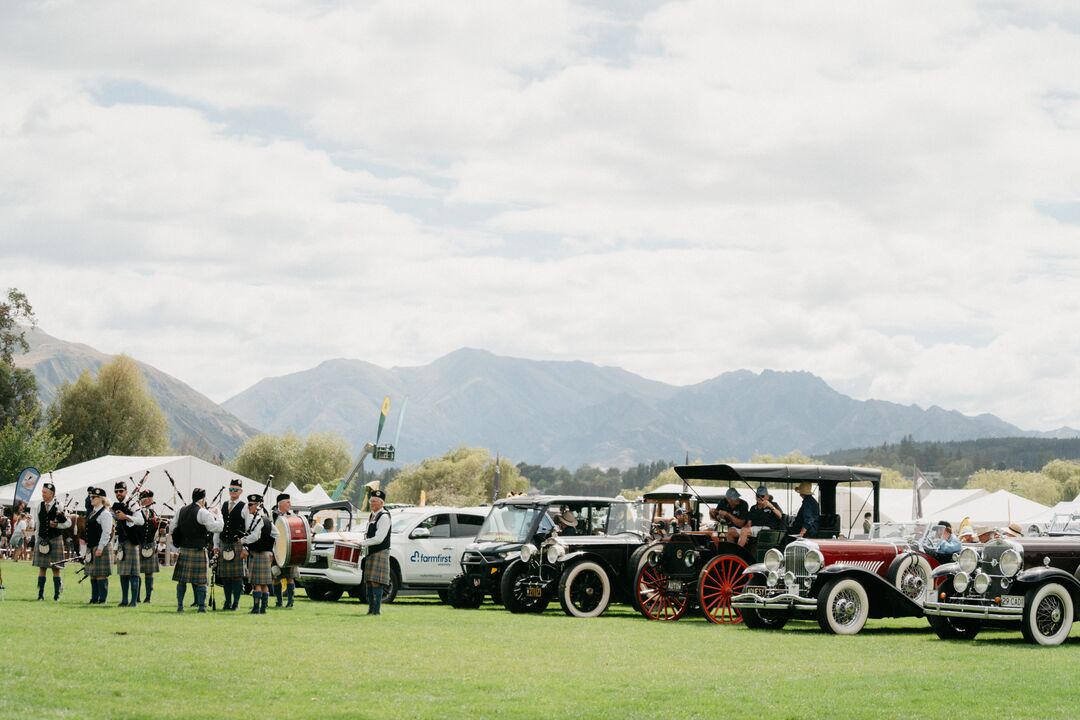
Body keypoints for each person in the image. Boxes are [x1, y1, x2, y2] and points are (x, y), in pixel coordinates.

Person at [169, 488, 224, 613]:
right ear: (203, 499)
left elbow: (172, 527)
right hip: (198, 551)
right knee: (201, 581)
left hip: (184, 550)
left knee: (181, 581)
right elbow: (217, 527)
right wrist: (219, 514)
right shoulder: (203, 512)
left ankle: (180, 606)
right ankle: (201, 607)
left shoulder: (181, 510)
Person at [33, 482, 72, 601]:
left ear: (52, 494)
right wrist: (36, 539)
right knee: (42, 567)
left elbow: (68, 523)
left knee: (56, 568)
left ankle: (57, 595)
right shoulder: (39, 505)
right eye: (42, 492)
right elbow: (38, 524)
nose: (43, 494)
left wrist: (57, 525)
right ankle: (40, 595)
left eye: (45, 492)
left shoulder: (59, 506)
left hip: (55, 539)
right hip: (42, 539)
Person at [241, 493, 277, 615]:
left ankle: (256, 608)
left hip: (257, 553)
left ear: (257, 506)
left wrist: (243, 540)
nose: (248, 507)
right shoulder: (267, 520)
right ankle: (263, 608)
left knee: (256, 583)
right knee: (264, 583)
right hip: (266, 554)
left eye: (250, 505)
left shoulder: (257, 520)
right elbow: (276, 534)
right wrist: (269, 546)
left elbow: (255, 537)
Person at [214, 479, 248, 611]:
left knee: (237, 576)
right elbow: (219, 526)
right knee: (225, 576)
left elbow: (247, 528)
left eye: (235, 490)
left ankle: (236, 603)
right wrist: (216, 544)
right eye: (231, 489)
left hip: (237, 544)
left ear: (241, 491)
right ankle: (227, 602)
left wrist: (245, 547)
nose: (232, 492)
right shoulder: (224, 505)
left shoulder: (244, 506)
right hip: (224, 543)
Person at [112, 481, 145, 607]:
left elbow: (141, 521)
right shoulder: (117, 505)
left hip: (132, 542)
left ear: (126, 491)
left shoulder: (133, 504)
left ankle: (133, 601)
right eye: (116, 491)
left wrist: (126, 516)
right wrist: (116, 545)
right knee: (123, 573)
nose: (118, 493)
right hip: (121, 541)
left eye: (121, 491)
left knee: (133, 573)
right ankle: (124, 600)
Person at [360, 490, 392, 616]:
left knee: (376, 581)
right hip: (372, 551)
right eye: (371, 501)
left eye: (374, 501)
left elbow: (379, 538)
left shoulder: (383, 516)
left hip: (380, 551)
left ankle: (377, 610)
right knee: (369, 581)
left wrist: (363, 543)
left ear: (381, 503)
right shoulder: (373, 515)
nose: (372, 503)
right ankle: (371, 609)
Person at [85, 487, 114, 604]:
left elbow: (106, 532)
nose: (91, 499)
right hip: (92, 546)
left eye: (94, 497)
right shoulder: (93, 512)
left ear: (101, 499)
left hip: (100, 546)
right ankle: (94, 598)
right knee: (93, 574)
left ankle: (102, 599)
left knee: (101, 575)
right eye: (91, 496)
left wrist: (100, 547)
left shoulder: (105, 514)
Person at [271, 493, 299, 608]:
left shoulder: (292, 516)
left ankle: (291, 601)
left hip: (288, 550)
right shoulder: (272, 515)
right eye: (287, 502)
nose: (290, 504)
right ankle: (279, 601)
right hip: (276, 549)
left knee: (290, 576)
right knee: (276, 576)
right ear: (280, 503)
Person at [137, 490, 161, 603]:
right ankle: (136, 596)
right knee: (136, 571)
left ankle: (148, 597)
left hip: (150, 545)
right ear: (144, 499)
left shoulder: (153, 513)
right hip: (138, 544)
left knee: (149, 573)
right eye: (149, 498)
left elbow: (157, 530)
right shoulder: (137, 512)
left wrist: (160, 527)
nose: (151, 500)